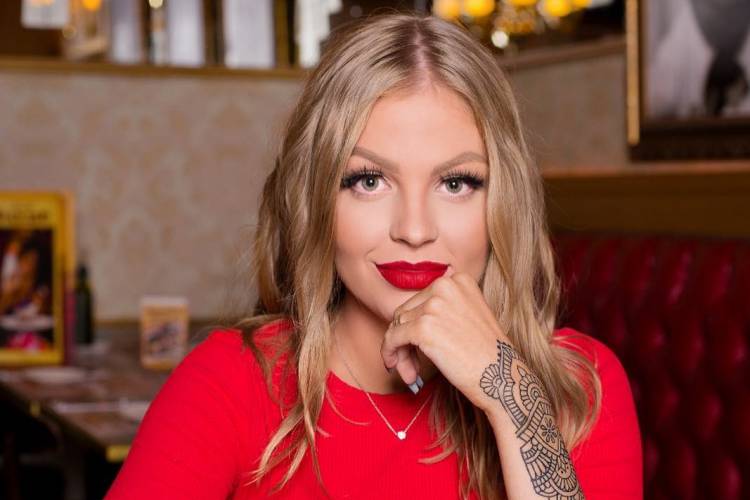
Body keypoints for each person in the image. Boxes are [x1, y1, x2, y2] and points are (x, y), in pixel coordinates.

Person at [106, 12, 641, 500]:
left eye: (456, 183)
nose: (414, 230)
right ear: (317, 198)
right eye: (368, 180)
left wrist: (511, 398)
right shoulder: (231, 382)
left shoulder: (579, 385)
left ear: (504, 200)